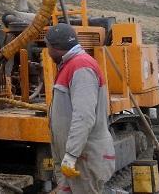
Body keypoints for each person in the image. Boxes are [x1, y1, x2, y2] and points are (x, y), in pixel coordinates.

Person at [45, 23, 115, 194]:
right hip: (77, 160)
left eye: (47, 46)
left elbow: (84, 117)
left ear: (54, 47)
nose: (47, 51)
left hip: (84, 159)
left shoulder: (81, 66)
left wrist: (71, 155)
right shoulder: (70, 65)